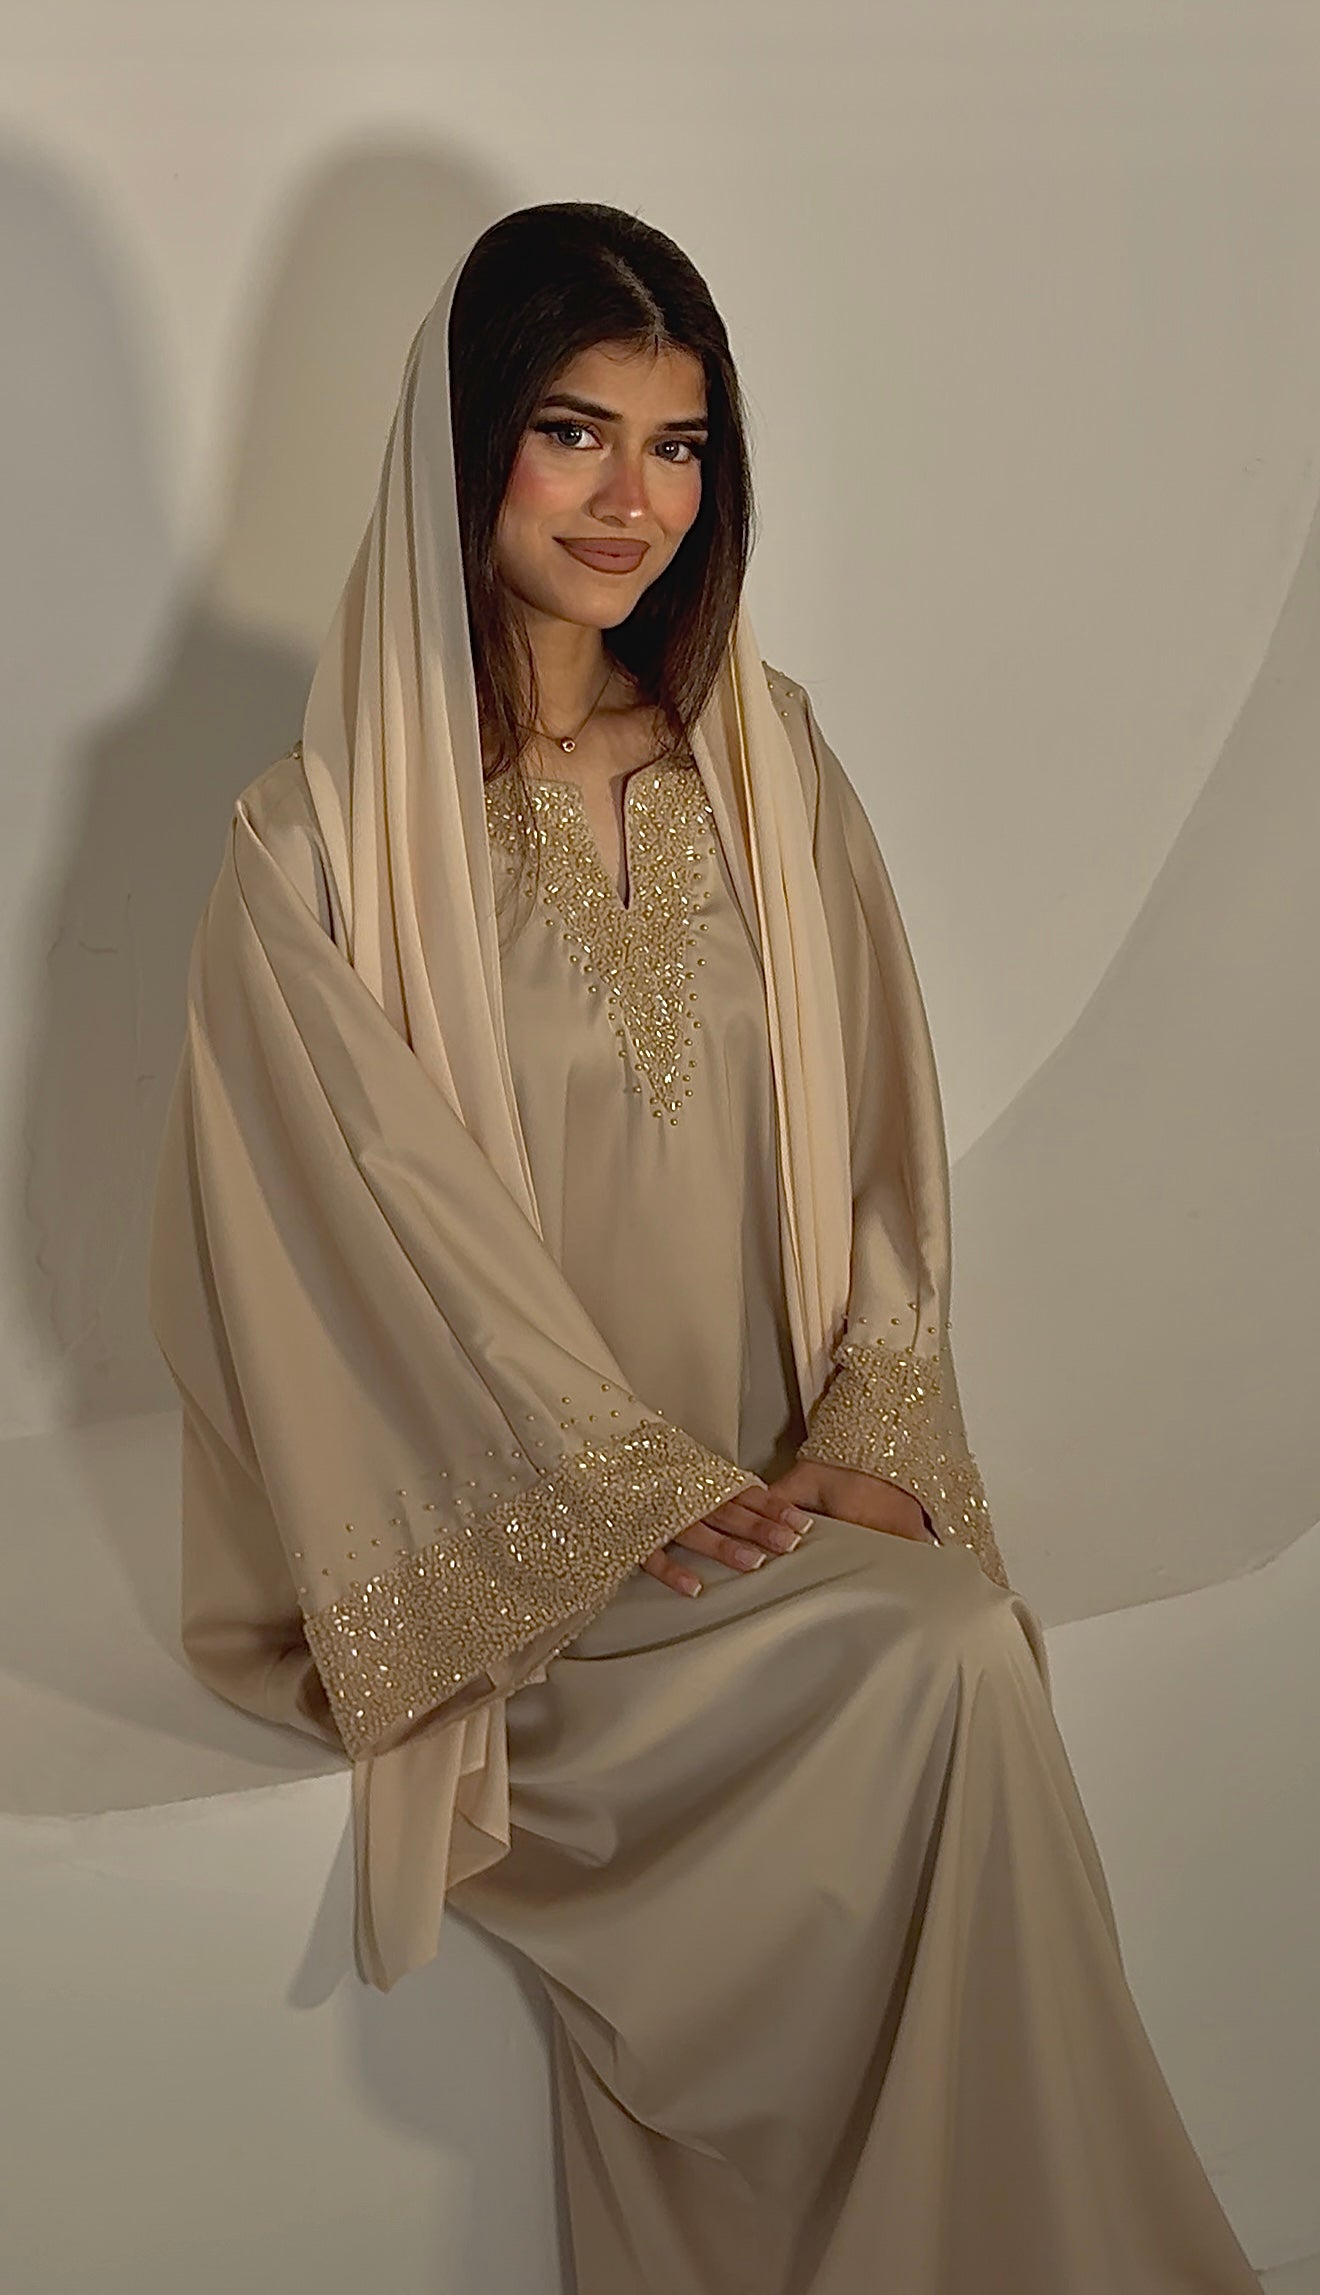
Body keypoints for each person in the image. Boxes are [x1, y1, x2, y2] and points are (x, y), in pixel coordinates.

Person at [148, 201, 1263, 2293]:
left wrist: (871, 1427)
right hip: (527, 1569)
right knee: (946, 1661)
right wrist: (622, 1490)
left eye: (676, 446)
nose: (629, 501)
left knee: (948, 1643)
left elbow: (886, 1135)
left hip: (767, 1505)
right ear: (464, 444)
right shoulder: (315, 849)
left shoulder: (764, 766)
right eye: (573, 432)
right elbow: (360, 1246)